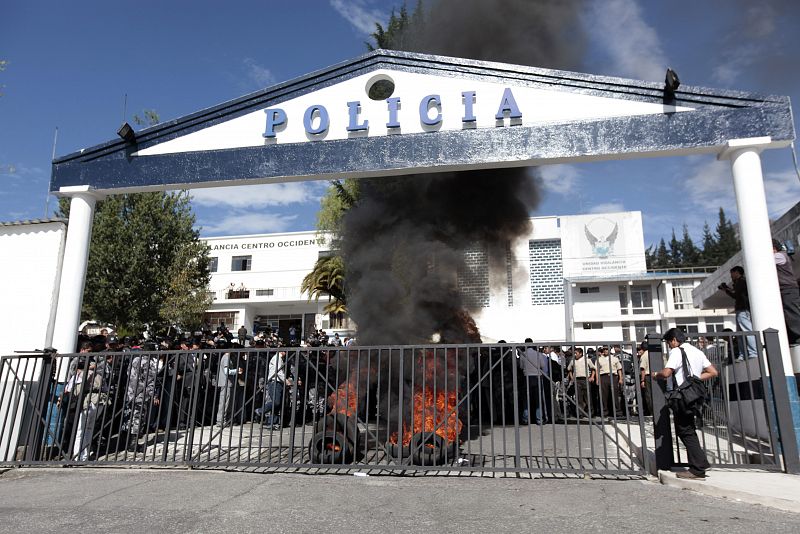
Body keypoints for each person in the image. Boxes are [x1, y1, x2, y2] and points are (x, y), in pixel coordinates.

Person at [652, 328, 718, 480]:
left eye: (669, 343)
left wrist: (656, 374)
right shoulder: (697, 352)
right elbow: (713, 372)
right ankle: (700, 463)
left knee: (684, 431)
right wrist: (694, 380)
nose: (669, 346)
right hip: (694, 396)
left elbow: (667, 372)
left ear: (674, 340)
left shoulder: (676, 351)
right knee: (689, 429)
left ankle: (698, 468)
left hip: (682, 397)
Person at [719, 266, 757, 358]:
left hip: (743, 309)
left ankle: (753, 352)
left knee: (747, 331)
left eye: (732, 273)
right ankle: (743, 354)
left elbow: (736, 295)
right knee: (740, 334)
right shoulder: (740, 282)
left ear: (736, 272)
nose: (731, 276)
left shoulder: (741, 281)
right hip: (742, 309)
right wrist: (728, 289)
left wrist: (726, 290)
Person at [256, 350, 292, 429]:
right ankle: (260, 411)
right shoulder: (277, 358)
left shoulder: (279, 359)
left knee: (277, 404)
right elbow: (278, 372)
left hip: (278, 382)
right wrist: (286, 381)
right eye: (285, 352)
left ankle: (272, 423)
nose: (286, 354)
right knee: (276, 402)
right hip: (274, 382)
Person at [773, 239, 800, 345]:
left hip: (788, 289)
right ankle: (793, 338)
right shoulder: (782, 255)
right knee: (788, 314)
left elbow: (763, 259)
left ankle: (798, 336)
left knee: (792, 313)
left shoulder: (779, 256)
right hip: (785, 289)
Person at [517, 339, 550, 424]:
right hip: (537, 377)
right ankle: (539, 419)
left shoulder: (523, 355)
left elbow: (521, 367)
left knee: (526, 399)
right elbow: (543, 366)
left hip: (526, 378)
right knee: (538, 399)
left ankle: (525, 419)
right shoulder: (538, 354)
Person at [595, 346, 624, 419]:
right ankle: (604, 412)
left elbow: (619, 369)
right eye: (604, 349)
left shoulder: (615, 358)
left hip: (613, 376)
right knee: (604, 395)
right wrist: (597, 380)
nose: (605, 350)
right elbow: (597, 370)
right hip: (603, 377)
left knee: (614, 394)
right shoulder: (599, 359)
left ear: (610, 350)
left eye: (607, 349)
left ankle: (617, 412)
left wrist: (621, 378)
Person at [566, 347, 595, 419]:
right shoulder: (573, 361)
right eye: (574, 353)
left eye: (576, 353)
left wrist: (592, 377)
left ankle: (590, 413)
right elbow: (569, 369)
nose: (575, 355)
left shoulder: (587, 360)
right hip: (577, 380)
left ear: (581, 353)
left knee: (588, 397)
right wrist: (572, 377)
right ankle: (580, 413)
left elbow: (593, 368)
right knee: (579, 398)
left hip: (585, 379)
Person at [637, 343, 652, 417]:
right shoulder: (652, 354)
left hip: (647, 376)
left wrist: (642, 380)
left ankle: (651, 411)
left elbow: (643, 369)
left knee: (648, 395)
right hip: (656, 376)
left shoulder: (644, 356)